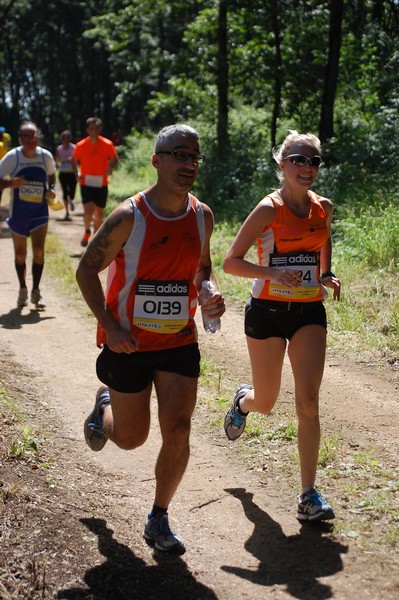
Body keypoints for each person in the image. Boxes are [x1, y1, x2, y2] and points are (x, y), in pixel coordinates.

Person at [76, 124, 225, 553]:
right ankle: (104, 406)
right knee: (130, 438)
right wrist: (112, 325)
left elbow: (202, 268)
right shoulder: (129, 217)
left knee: (178, 430)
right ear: (157, 160)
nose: (189, 163)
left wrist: (208, 291)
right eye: (180, 154)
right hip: (129, 346)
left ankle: (158, 517)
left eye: (195, 156)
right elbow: (86, 269)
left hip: (179, 341)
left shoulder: (202, 215)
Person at [223, 130, 341, 522]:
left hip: (309, 312)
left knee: (308, 403)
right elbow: (231, 262)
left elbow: (322, 242)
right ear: (282, 164)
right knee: (267, 402)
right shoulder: (267, 210)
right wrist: (274, 271)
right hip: (267, 311)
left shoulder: (323, 207)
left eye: (313, 161)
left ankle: (308, 494)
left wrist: (325, 274)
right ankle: (244, 401)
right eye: (298, 159)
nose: (306, 168)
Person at [0, 121, 56, 309]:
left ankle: (36, 291)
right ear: (20, 139)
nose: (30, 140)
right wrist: (10, 184)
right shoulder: (12, 158)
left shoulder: (45, 156)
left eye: (33, 136)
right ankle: (23, 288)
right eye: (26, 136)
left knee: (39, 251)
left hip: (40, 213)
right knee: (20, 255)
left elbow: (52, 176)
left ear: (38, 137)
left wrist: (52, 190)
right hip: (19, 214)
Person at [72, 117, 118, 247]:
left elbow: (115, 159)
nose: (94, 131)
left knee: (99, 214)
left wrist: (110, 167)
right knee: (88, 211)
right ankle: (87, 231)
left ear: (100, 129)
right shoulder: (81, 145)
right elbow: (73, 160)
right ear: (87, 130)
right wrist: (77, 174)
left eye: (97, 128)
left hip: (101, 183)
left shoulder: (107, 144)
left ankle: (95, 240)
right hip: (86, 183)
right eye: (91, 128)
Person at [55, 130, 76, 221]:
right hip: (63, 173)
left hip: (72, 173)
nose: (66, 140)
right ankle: (67, 212)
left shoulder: (74, 148)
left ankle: (71, 199)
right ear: (62, 139)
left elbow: (77, 159)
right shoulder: (59, 149)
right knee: (65, 192)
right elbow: (57, 160)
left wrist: (72, 160)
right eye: (64, 139)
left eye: (67, 138)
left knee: (72, 192)